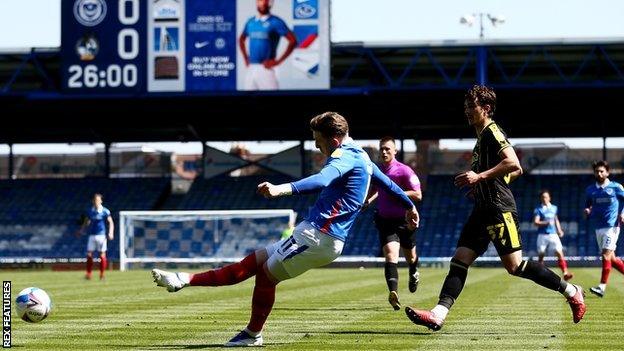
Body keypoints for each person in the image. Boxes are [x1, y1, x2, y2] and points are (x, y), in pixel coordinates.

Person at [151, 112, 420, 347]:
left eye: (318, 141)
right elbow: (388, 184)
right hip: (315, 234)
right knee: (254, 261)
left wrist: (282, 189)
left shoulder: (344, 156)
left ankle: (252, 334)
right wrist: (409, 205)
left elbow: (323, 179)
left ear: (334, 141)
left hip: (319, 236)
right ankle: (183, 279)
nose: (317, 146)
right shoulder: (361, 154)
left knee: (266, 277)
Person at [404, 85, 585, 331]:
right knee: (459, 260)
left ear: (486, 108)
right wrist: (483, 183)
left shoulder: (492, 131)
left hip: (499, 207)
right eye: (466, 107)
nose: (467, 111)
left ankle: (572, 290)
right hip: (482, 207)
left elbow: (513, 162)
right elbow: (515, 172)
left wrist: (481, 178)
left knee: (515, 266)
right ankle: (438, 314)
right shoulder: (480, 140)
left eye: (472, 107)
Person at [365, 136, 422, 310]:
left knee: (410, 257)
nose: (384, 151)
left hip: (404, 220)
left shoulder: (404, 171)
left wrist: (397, 191)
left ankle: (413, 271)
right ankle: (394, 293)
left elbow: (418, 194)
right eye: (381, 149)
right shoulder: (377, 172)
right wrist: (368, 200)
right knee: (391, 255)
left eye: (387, 149)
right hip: (385, 221)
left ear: (395, 151)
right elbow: (376, 189)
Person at [584, 160, 624, 297]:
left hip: (612, 225)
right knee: (612, 259)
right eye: (597, 171)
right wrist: (587, 210)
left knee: (605, 255)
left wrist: (622, 213)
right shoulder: (590, 190)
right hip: (598, 226)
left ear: (607, 172)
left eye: (602, 171)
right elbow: (588, 205)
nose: (599, 173)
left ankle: (601, 287)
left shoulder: (616, 187)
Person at [238, 0, 297, 90]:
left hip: (266, 68)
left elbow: (293, 41)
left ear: (270, 3)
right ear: (257, 2)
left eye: (266, 1)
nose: (263, 4)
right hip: (251, 68)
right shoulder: (250, 22)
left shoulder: (276, 22)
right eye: (261, 1)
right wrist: (245, 58)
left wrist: (278, 61)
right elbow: (241, 39)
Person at [533, 190, 573, 281]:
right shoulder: (538, 209)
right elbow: (536, 222)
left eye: (546, 197)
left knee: (559, 252)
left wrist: (559, 230)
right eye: (542, 197)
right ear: (540, 198)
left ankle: (565, 273)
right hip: (542, 235)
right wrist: (545, 223)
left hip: (553, 234)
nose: (544, 199)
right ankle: (539, 274)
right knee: (541, 255)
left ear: (549, 198)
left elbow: (556, 220)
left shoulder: (554, 208)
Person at [78, 193, 114, 280]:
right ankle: (88, 274)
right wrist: (81, 230)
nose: (96, 201)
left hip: (101, 235)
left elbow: (110, 222)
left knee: (102, 255)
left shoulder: (105, 211)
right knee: (89, 255)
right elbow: (87, 222)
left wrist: (111, 232)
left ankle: (102, 274)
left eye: (97, 200)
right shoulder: (90, 211)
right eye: (94, 200)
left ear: (101, 201)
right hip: (92, 235)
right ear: (92, 201)